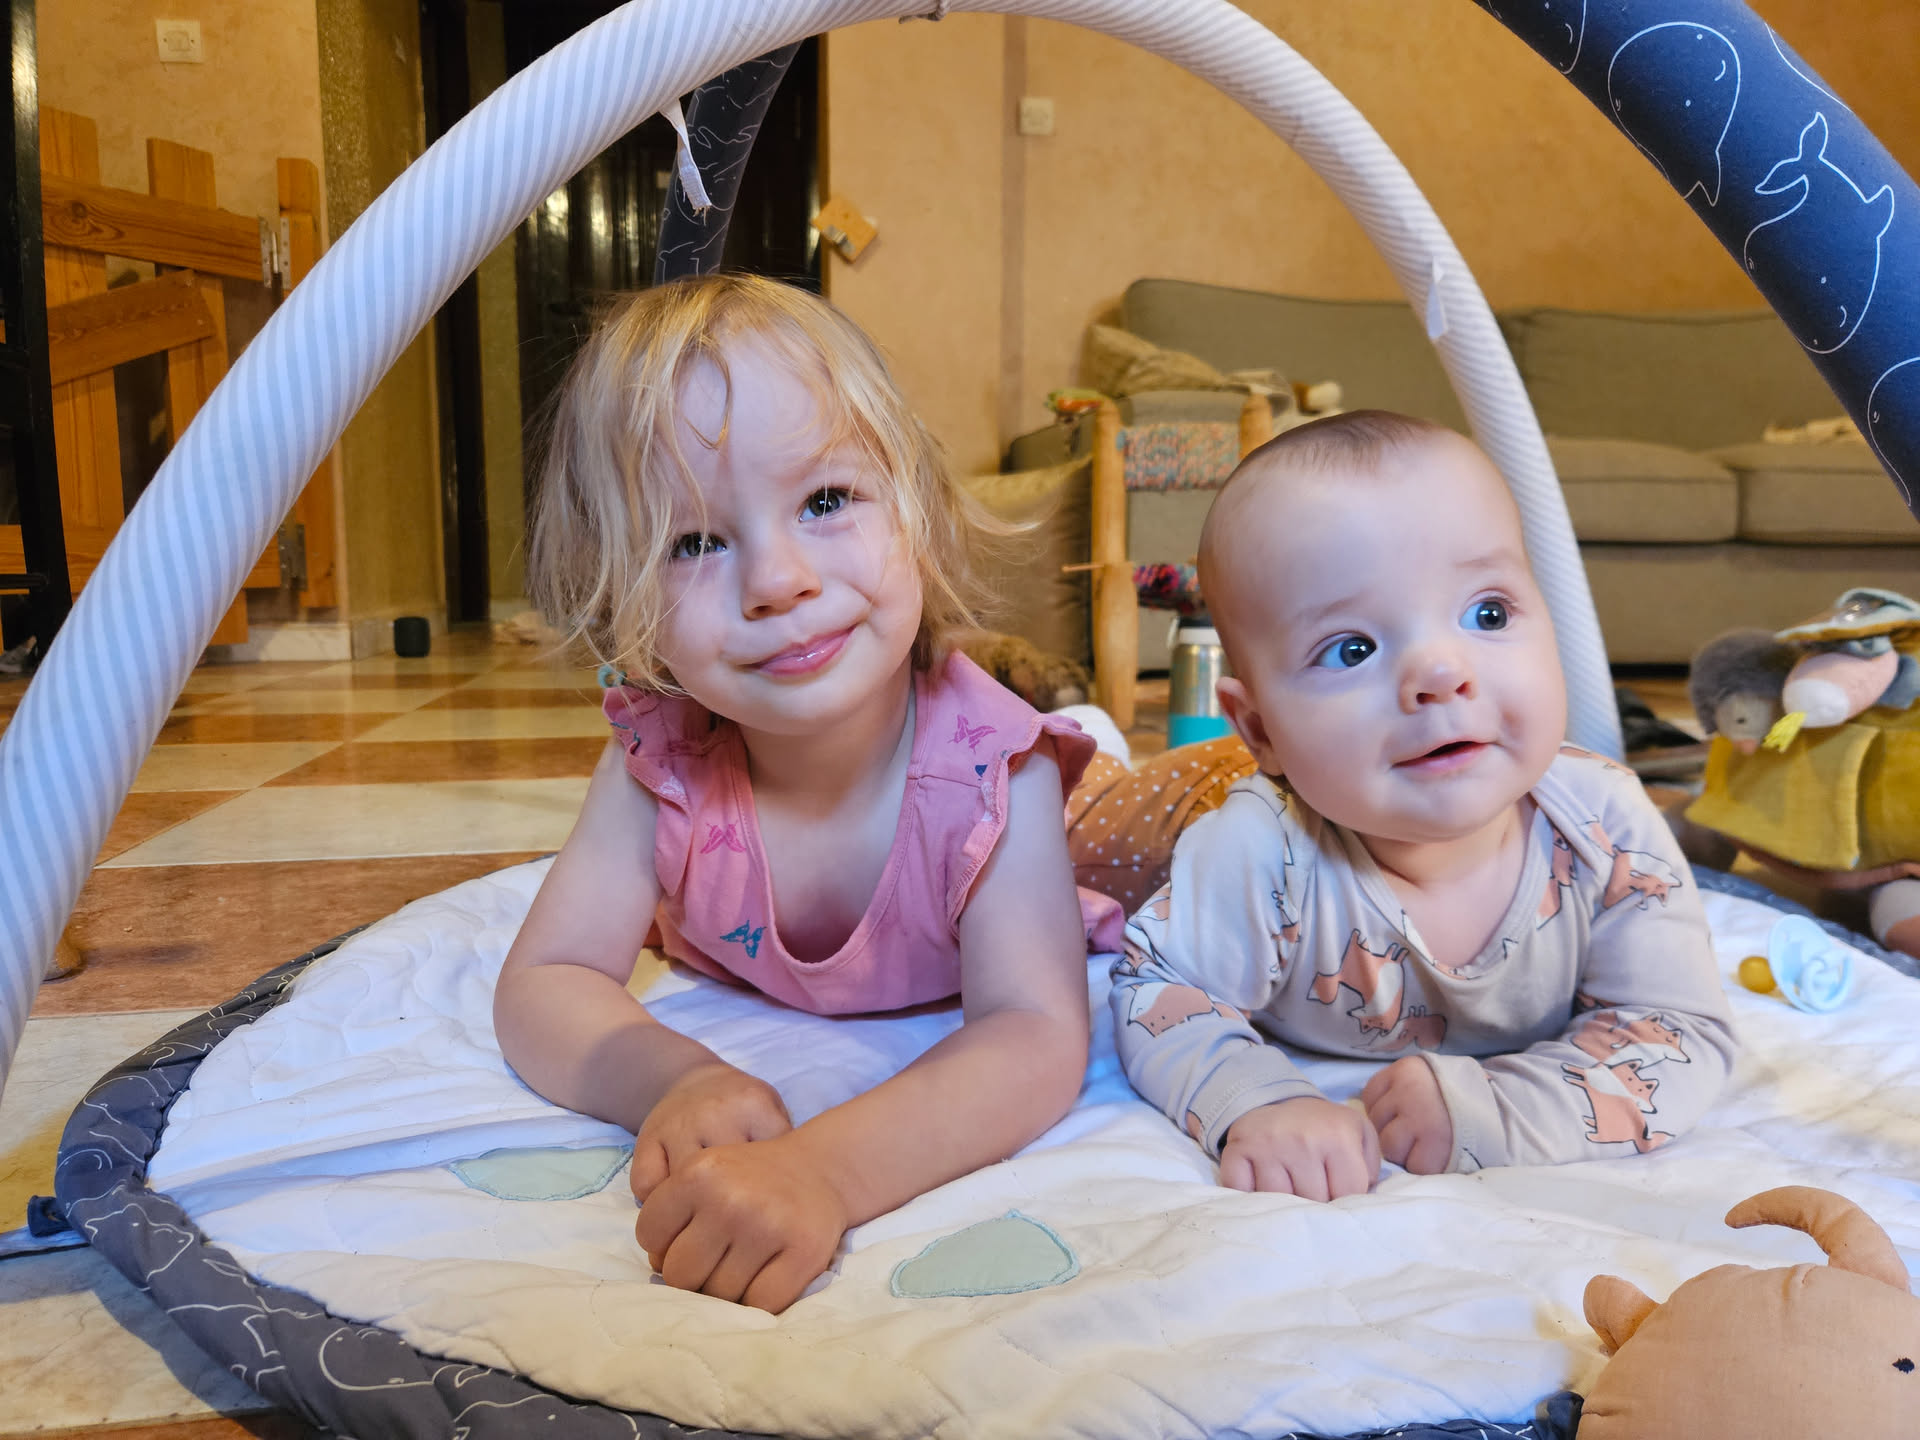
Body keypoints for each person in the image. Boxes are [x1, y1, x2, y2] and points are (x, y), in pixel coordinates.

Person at [495, 275, 1122, 1314]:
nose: (776, 580)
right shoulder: (662, 760)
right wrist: (674, 1079)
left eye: (826, 501)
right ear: (623, 603)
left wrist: (823, 1172)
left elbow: (1036, 1036)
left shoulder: (996, 773)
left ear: (914, 510)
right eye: (694, 542)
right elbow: (544, 981)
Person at [1111, 410, 1736, 1201]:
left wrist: (1500, 1110)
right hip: (1175, 797)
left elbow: (1679, 1031)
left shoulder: (1604, 822)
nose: (1441, 672)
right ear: (1260, 729)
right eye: (1352, 649)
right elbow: (1159, 990)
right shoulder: (1258, 847)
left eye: (1488, 613)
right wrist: (1259, 1102)